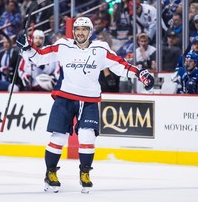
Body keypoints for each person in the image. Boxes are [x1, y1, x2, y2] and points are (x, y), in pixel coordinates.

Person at [16, 17, 154, 193]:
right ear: (73, 31)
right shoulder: (63, 45)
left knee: (88, 136)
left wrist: (140, 73)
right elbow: (39, 57)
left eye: (84, 29)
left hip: (89, 99)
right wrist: (27, 48)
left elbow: (120, 65)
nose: (80, 32)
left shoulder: (101, 48)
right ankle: (50, 173)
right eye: (77, 29)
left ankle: (85, 173)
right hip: (65, 97)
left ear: (90, 32)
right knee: (58, 137)